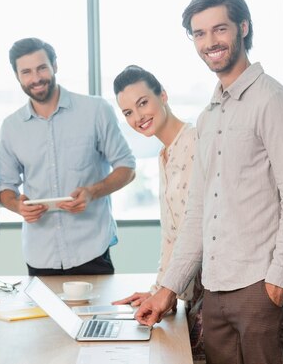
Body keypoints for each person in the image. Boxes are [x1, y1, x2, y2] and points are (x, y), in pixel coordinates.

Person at [135, 0, 283, 364]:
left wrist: (279, 282)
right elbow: (197, 214)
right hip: (214, 291)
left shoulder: (272, 102)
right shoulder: (209, 116)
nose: (209, 42)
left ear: (243, 28)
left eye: (219, 29)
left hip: (259, 288)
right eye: (199, 34)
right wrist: (168, 289)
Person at [0, 37, 136, 276]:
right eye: (26, 71)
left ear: (55, 66)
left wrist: (92, 192)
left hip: (92, 248)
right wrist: (18, 206)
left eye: (41, 67)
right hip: (40, 255)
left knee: (95, 315)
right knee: (43, 316)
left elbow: (127, 167)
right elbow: (5, 187)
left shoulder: (96, 111)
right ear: (17, 76)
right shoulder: (11, 127)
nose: (36, 78)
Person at [111, 65, 205, 362]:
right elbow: (170, 236)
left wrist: (167, 291)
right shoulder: (164, 154)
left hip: (210, 288)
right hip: (187, 289)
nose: (137, 117)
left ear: (163, 95)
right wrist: (158, 291)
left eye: (143, 103)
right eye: (127, 112)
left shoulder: (195, 141)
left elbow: (197, 228)